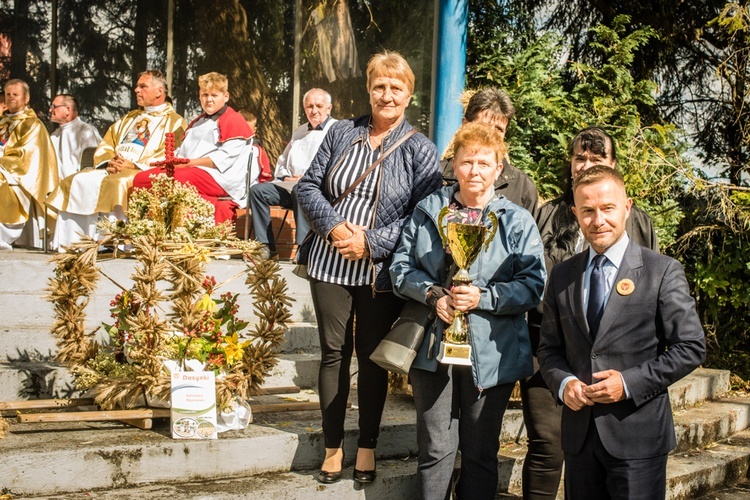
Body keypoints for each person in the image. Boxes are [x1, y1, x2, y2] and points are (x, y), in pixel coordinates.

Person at [296, 51, 442, 486]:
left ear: (409, 94)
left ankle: (367, 447)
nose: (387, 94)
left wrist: (370, 242)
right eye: (380, 85)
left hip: (378, 270)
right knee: (333, 354)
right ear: (369, 89)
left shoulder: (420, 148)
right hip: (329, 259)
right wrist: (336, 227)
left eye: (396, 87)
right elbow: (307, 185)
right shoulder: (342, 132)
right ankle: (333, 445)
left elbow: (424, 214)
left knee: (372, 358)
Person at [390, 122, 546, 499]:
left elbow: (533, 284)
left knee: (480, 452)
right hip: (433, 348)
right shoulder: (429, 211)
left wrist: (483, 298)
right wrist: (432, 295)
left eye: (483, 162)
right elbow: (400, 267)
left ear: (498, 168)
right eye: (466, 161)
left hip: (492, 350)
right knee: (435, 449)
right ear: (453, 164)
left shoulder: (517, 220)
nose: (474, 170)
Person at [538, 165, 705, 499]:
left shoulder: (662, 271)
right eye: (587, 211)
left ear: (627, 207)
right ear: (575, 214)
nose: (598, 220)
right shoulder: (561, 276)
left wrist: (628, 384)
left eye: (607, 208)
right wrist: (564, 383)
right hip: (580, 437)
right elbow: (548, 349)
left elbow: (691, 347)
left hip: (637, 437)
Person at [521, 126, 658, 500]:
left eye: (596, 159)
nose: (586, 165)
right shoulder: (548, 214)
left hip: (613, 362)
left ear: (612, 165)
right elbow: (532, 278)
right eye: (579, 158)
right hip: (549, 352)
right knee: (547, 445)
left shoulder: (638, 221)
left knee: (600, 454)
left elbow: (649, 287)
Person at [47, 70, 187, 250]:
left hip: (143, 171)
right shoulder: (129, 118)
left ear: (159, 91)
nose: (136, 90)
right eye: (137, 86)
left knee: (119, 183)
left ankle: (114, 241)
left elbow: (170, 153)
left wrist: (134, 165)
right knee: (75, 181)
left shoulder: (175, 122)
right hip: (113, 167)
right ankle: (71, 243)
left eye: (143, 86)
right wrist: (109, 161)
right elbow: (107, 143)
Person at [133, 72, 254, 224]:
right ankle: (148, 229)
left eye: (214, 95)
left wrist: (190, 163)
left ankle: (181, 227)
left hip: (218, 177)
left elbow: (225, 158)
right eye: (204, 95)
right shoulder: (198, 121)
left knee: (178, 179)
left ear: (226, 96)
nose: (208, 99)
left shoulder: (234, 120)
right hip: (189, 168)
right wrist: (171, 161)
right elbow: (182, 151)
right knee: (141, 179)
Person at [248, 88, 335, 258]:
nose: (314, 110)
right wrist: (285, 176)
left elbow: (337, 165)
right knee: (257, 191)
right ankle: (266, 246)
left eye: (319, 105)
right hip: (290, 186)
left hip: (319, 190)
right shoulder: (300, 131)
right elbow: (283, 160)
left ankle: (304, 248)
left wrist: (306, 179)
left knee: (300, 189)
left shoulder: (337, 130)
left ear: (329, 108)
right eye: (309, 106)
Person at [441, 87, 539, 216]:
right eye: (484, 126)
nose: (490, 134)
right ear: (465, 124)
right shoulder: (436, 176)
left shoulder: (522, 188)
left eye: (498, 129)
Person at [0, 79, 58, 250]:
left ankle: (3, 235)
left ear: (26, 99)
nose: (11, 98)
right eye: (8, 94)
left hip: (17, 175)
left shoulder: (32, 124)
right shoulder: (2, 122)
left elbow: (25, 156)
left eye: (15, 95)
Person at [49, 94, 102, 179]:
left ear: (68, 109)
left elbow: (93, 166)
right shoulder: (53, 137)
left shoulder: (87, 132)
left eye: (54, 106)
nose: (50, 110)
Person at [238, 108, 273, 184]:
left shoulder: (256, 152)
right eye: (240, 129)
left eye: (248, 130)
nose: (244, 134)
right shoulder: (225, 148)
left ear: (254, 130)